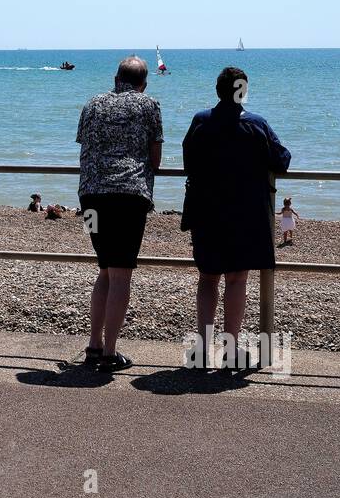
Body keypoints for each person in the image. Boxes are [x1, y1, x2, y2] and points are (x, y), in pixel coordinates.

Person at [181, 67, 291, 367]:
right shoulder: (256, 124)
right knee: (237, 279)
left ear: (218, 90)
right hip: (245, 214)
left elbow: (188, 160)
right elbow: (282, 160)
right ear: (242, 92)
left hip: (206, 212)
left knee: (207, 279)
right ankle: (230, 351)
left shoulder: (200, 122)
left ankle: (202, 351)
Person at [76, 55, 163, 372]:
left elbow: (84, 149)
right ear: (144, 82)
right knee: (121, 273)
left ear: (115, 78)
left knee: (104, 270)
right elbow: (155, 161)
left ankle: (94, 346)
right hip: (128, 197)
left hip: (90, 199)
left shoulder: (92, 104)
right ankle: (110, 352)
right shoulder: (149, 105)